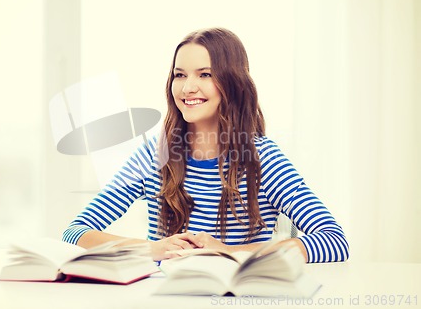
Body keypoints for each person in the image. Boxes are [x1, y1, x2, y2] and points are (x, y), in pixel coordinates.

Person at [62, 27, 349, 263]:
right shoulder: (153, 156)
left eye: (205, 74)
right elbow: (75, 233)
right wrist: (152, 249)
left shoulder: (263, 159)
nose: (188, 88)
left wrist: (229, 252)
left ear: (233, 83)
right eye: (180, 75)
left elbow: (334, 241)